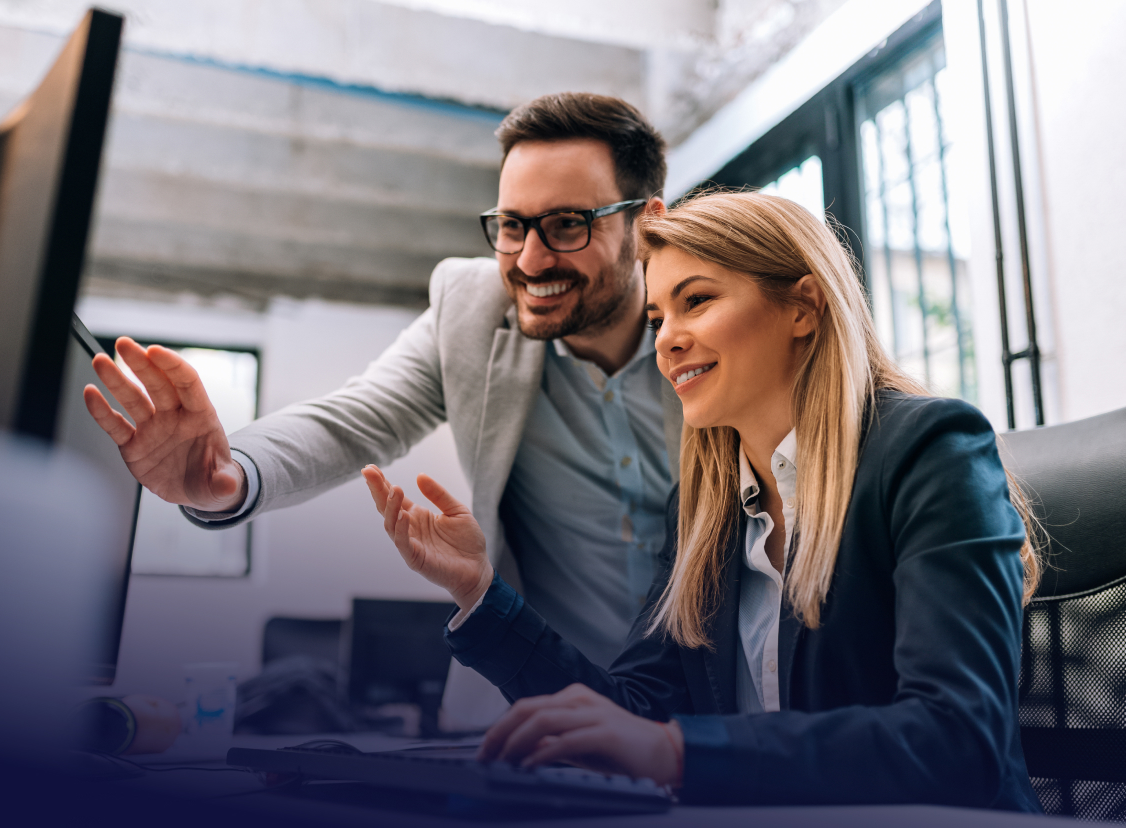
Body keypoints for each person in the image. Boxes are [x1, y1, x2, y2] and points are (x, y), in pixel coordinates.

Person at [360, 191, 1044, 810]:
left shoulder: (931, 451)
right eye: (659, 315)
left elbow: (957, 738)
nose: (667, 340)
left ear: (803, 307)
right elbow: (628, 713)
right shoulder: (702, 509)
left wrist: (677, 753)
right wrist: (481, 593)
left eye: (697, 301)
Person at [82, 94, 683, 716]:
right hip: (542, 708)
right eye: (511, 225)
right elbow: (356, 419)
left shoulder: (715, 325)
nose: (530, 260)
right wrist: (229, 474)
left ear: (646, 225)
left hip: (716, 708)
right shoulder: (473, 309)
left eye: (567, 225)